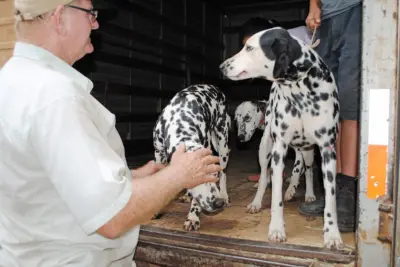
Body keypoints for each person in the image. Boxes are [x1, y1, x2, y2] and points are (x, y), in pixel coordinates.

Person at [0, 1, 222, 266]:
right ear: (60, 18)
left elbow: (46, 182)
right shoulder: (54, 96)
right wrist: (178, 175)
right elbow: (112, 217)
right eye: (90, 14)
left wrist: (132, 177)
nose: (96, 23)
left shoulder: (11, 80)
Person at [298, 0, 361, 233]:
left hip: (356, 10)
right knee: (329, 105)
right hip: (327, 17)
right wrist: (314, 5)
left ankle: (347, 192)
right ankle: (331, 189)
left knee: (349, 101)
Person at [238, 17, 313, 183]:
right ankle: (272, 170)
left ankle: (298, 173)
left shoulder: (297, 39)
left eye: (249, 46)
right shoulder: (269, 54)